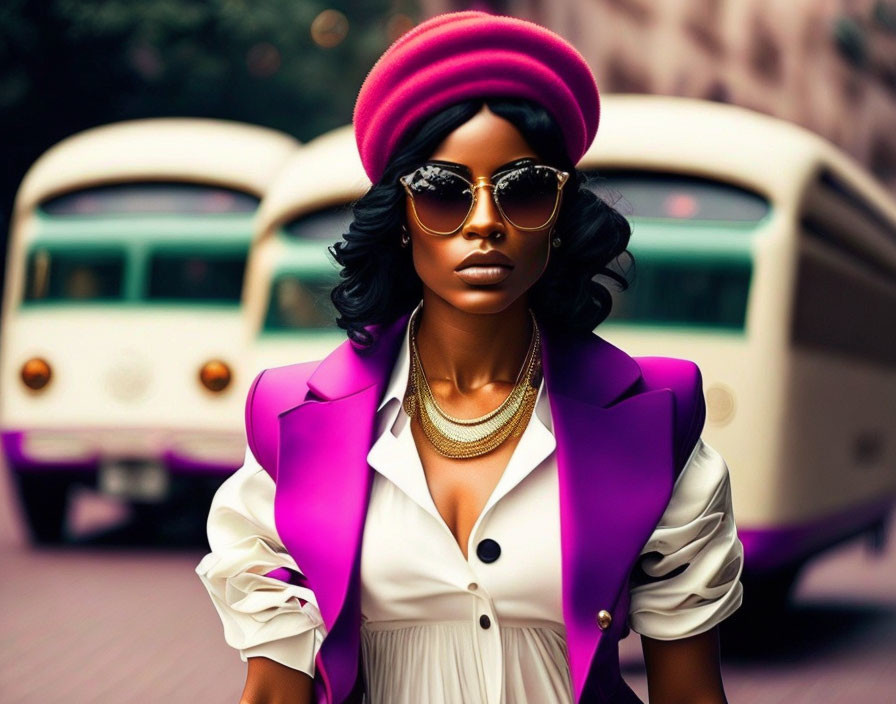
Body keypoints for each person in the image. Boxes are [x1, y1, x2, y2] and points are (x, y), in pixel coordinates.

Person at [196, 11, 743, 704]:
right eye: (444, 191)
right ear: (400, 218)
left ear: (560, 217)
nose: (485, 221)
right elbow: (274, 693)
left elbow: (691, 695)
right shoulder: (290, 422)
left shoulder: (653, 419)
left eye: (524, 189)